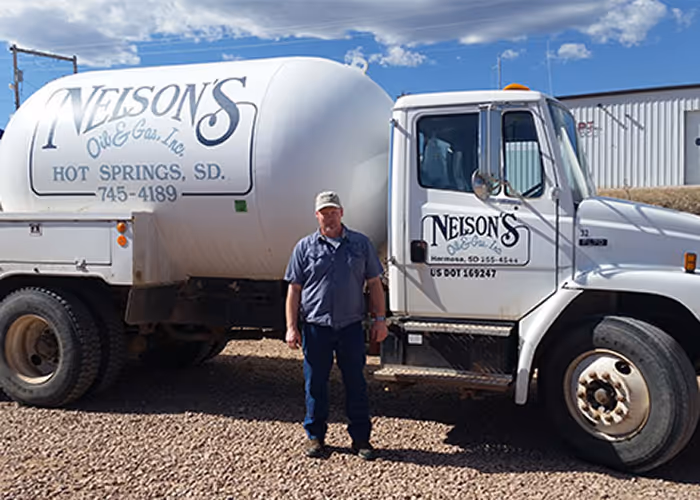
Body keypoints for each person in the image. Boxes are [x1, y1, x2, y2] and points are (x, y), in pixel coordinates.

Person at [284, 190, 388, 460]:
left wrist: (380, 320)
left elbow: (375, 284)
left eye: (333, 211)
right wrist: (291, 327)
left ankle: (361, 439)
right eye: (324, 212)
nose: (329, 217)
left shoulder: (360, 244)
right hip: (316, 328)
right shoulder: (304, 247)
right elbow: (294, 290)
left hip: (351, 327)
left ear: (341, 213)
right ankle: (316, 438)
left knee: (356, 383)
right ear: (316, 215)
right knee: (315, 384)